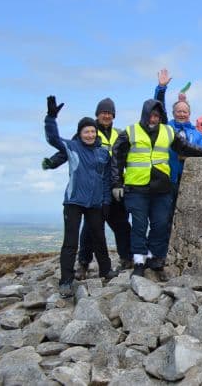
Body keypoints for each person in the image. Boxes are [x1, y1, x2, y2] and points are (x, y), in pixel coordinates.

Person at [111, 97, 202, 280]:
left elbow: (184, 147)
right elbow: (117, 158)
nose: (154, 119)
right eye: (151, 115)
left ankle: (155, 259)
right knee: (139, 226)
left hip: (161, 187)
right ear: (145, 115)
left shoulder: (168, 131)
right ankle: (139, 262)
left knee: (160, 224)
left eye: (157, 116)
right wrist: (117, 183)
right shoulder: (130, 132)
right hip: (136, 188)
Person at [42, 97, 133, 275]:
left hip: (115, 186)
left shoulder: (120, 134)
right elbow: (69, 150)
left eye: (109, 113)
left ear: (113, 116)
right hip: (92, 193)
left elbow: (128, 157)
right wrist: (52, 162)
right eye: (103, 112)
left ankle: (126, 258)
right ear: (97, 115)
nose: (106, 116)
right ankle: (83, 262)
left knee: (122, 225)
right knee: (90, 230)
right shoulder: (88, 130)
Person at [153, 69, 202, 187]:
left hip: (191, 181)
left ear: (189, 114)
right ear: (173, 113)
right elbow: (158, 107)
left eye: (184, 112)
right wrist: (161, 88)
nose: (181, 114)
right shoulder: (166, 127)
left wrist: (187, 155)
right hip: (167, 179)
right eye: (178, 111)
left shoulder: (197, 134)